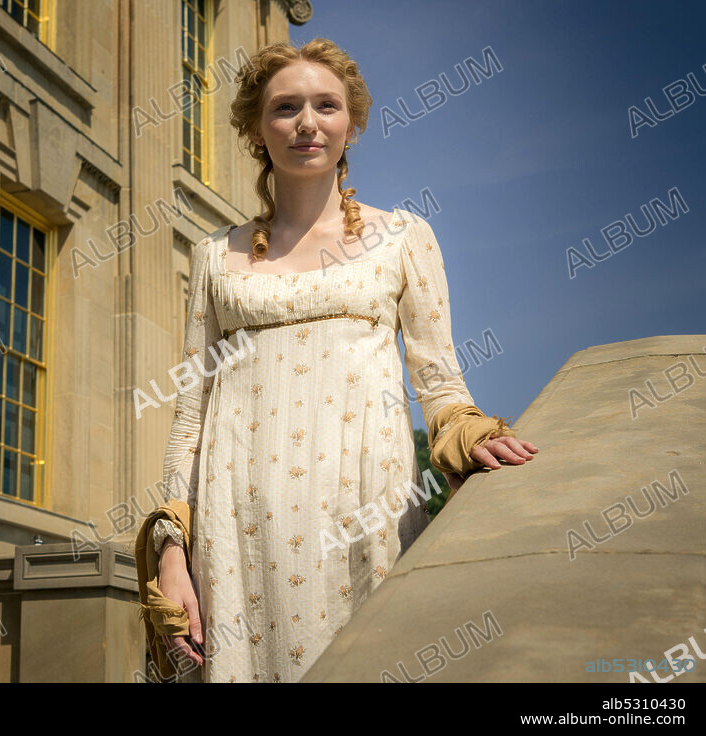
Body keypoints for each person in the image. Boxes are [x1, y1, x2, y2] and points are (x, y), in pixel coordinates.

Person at [134, 38, 538, 684]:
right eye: (285, 107)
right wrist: (171, 554)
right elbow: (191, 420)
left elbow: (438, 383)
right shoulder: (216, 257)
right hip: (236, 543)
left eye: (326, 105)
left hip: (365, 521)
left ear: (350, 123)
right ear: (256, 128)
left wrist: (470, 438)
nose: (306, 122)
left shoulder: (403, 238)